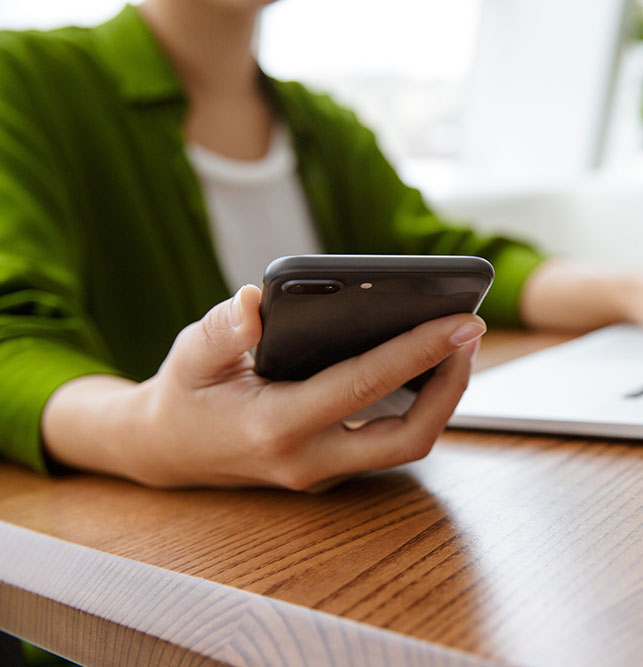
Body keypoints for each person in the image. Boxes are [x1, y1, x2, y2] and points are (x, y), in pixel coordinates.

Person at [1, 0, 642, 493]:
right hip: (124, 564)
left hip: (347, 520)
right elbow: (12, 335)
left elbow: (447, 251)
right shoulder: (22, 82)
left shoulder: (325, 126)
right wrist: (144, 433)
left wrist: (625, 290)